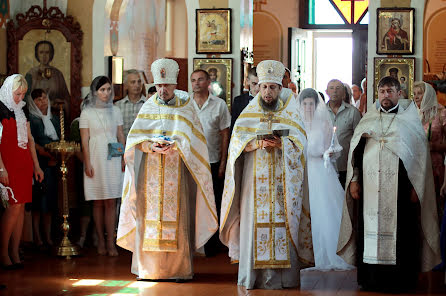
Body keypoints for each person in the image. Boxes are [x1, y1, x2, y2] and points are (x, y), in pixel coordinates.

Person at [337, 76, 441, 292]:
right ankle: (370, 280)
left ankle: (402, 280)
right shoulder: (368, 120)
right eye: (382, 91)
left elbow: (419, 159)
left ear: (399, 93)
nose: (386, 95)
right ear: (378, 94)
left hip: (402, 190)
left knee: (403, 232)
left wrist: (416, 187)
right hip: (370, 189)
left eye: (390, 91)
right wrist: (354, 180)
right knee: (368, 230)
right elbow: (355, 153)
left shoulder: (409, 120)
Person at [117, 58, 218, 282]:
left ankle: (178, 269)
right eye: (159, 86)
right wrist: (149, 145)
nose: (163, 90)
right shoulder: (148, 106)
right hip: (150, 173)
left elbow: (196, 141)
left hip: (177, 172)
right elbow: (134, 141)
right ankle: (149, 269)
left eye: (167, 86)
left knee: (178, 218)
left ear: (175, 85)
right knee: (149, 219)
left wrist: (179, 144)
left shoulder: (187, 105)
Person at [220, 60, 314, 289]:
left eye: (273, 87)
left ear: (280, 89)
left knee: (283, 224)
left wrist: (284, 144)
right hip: (254, 184)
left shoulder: (290, 113)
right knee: (255, 224)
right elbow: (236, 146)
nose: (268, 92)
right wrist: (256, 143)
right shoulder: (247, 114)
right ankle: (253, 277)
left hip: (283, 184)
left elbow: (301, 143)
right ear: (257, 89)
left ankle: (285, 279)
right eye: (264, 87)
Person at [297, 88, 353, 271]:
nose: (307, 107)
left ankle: (328, 254)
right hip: (301, 171)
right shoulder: (296, 124)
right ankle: (303, 255)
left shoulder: (324, 124)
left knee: (323, 212)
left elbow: (335, 147)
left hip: (319, 170)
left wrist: (329, 153)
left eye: (311, 104)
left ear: (316, 104)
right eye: (304, 104)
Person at [0, 74, 44, 269]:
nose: (20, 98)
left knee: (20, 209)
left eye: (23, 94)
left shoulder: (22, 110)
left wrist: (37, 166)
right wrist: (1, 169)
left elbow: (30, 141)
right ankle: (2, 253)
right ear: (9, 91)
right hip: (7, 165)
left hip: (24, 164)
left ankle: (14, 251)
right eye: (17, 94)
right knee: (12, 208)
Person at [80, 76, 125, 256]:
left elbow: (120, 135)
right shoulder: (87, 113)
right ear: (94, 92)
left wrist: (123, 157)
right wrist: (88, 163)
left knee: (111, 202)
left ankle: (110, 241)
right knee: (98, 202)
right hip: (96, 158)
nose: (106, 93)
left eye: (108, 89)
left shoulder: (116, 110)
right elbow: (84, 141)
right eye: (102, 90)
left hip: (113, 158)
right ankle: (99, 240)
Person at [190, 69, 230, 257]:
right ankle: (193, 242)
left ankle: (212, 244)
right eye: (193, 80)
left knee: (213, 202)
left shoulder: (219, 105)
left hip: (213, 161)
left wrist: (223, 162)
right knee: (193, 202)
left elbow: (224, 134)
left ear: (208, 82)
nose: (196, 83)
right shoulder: (185, 104)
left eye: (200, 80)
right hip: (191, 161)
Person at [414, 81, 446, 270]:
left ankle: (436, 251)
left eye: (421, 93)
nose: (417, 97)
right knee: (418, 208)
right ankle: (419, 251)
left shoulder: (441, 113)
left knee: (435, 208)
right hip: (417, 167)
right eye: (415, 94)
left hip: (435, 166)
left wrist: (432, 146)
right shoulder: (412, 114)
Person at [28, 89, 60, 249]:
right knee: (38, 203)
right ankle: (37, 236)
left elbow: (59, 140)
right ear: (33, 102)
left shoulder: (53, 119)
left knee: (50, 203)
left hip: (53, 165)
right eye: (38, 100)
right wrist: (47, 154)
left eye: (44, 99)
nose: (43, 102)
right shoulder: (32, 119)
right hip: (39, 165)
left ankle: (48, 236)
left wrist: (56, 155)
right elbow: (31, 142)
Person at [326, 79, 361, 188]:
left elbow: (359, 143)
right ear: (327, 92)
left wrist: (355, 175)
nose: (334, 91)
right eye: (331, 88)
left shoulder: (353, 112)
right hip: (325, 167)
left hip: (345, 168)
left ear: (344, 92)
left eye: (338, 88)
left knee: (345, 203)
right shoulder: (320, 112)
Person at [25, 40, 71, 116]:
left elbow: (66, 98)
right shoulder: (31, 73)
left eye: (47, 52)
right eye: (41, 52)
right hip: (36, 114)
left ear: (51, 54)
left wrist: (60, 103)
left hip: (55, 114)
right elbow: (26, 97)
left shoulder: (58, 74)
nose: (44, 56)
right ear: (37, 54)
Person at [115, 69, 147, 139]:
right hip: (124, 147)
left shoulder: (148, 104)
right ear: (126, 86)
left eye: (139, 82)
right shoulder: (118, 106)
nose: (137, 85)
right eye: (133, 82)